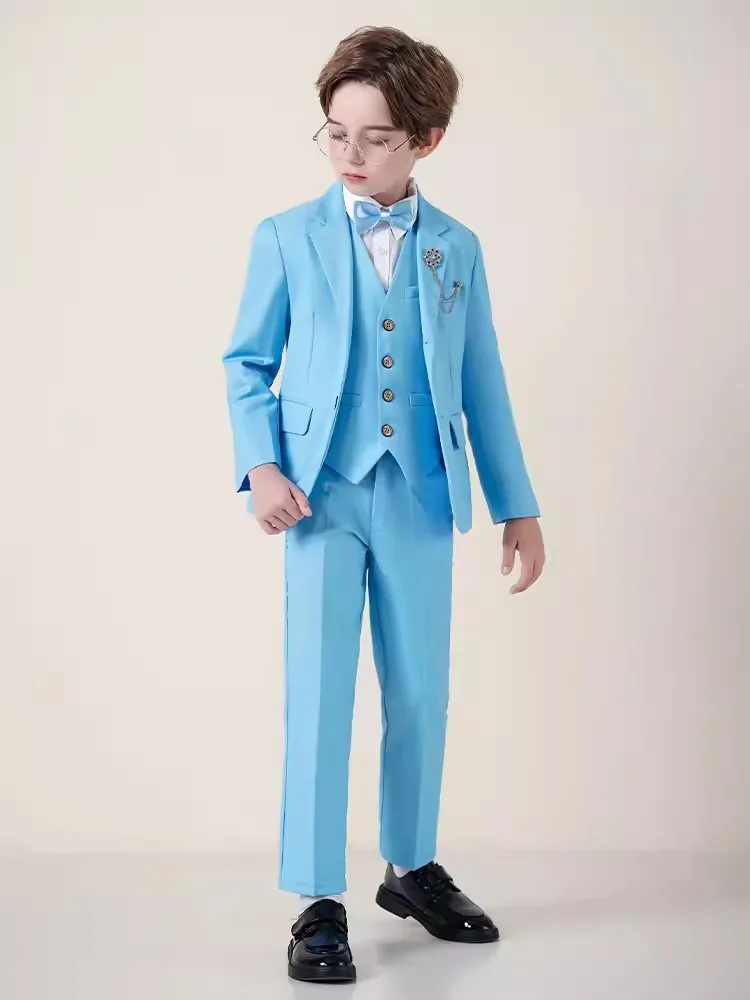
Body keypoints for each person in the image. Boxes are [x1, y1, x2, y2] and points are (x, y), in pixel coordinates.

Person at [222, 25, 545, 984]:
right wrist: (261, 467)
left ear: (427, 140)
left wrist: (518, 505)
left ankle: (411, 866)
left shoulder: (456, 248)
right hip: (318, 497)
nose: (351, 156)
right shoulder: (286, 237)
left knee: (419, 693)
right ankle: (317, 899)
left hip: (420, 491)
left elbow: (482, 380)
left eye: (376, 139)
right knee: (321, 693)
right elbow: (246, 364)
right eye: (336, 134)